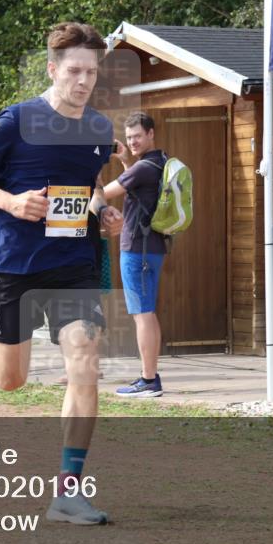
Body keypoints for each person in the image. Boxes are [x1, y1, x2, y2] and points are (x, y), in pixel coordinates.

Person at [0, 22, 123, 525]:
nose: (83, 81)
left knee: (85, 358)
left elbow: (91, 187)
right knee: (10, 380)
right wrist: (11, 201)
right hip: (12, 262)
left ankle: (67, 491)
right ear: (52, 69)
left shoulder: (98, 130)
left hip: (73, 264)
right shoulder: (17, 121)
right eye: (74, 70)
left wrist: (102, 210)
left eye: (91, 72)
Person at [102, 111, 170, 397]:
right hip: (152, 247)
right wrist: (124, 160)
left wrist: (91, 171)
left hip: (136, 250)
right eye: (129, 138)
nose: (132, 142)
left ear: (151, 133)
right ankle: (149, 376)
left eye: (137, 136)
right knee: (147, 313)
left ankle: (149, 379)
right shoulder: (160, 161)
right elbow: (139, 186)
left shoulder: (142, 168)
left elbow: (105, 192)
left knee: (142, 315)